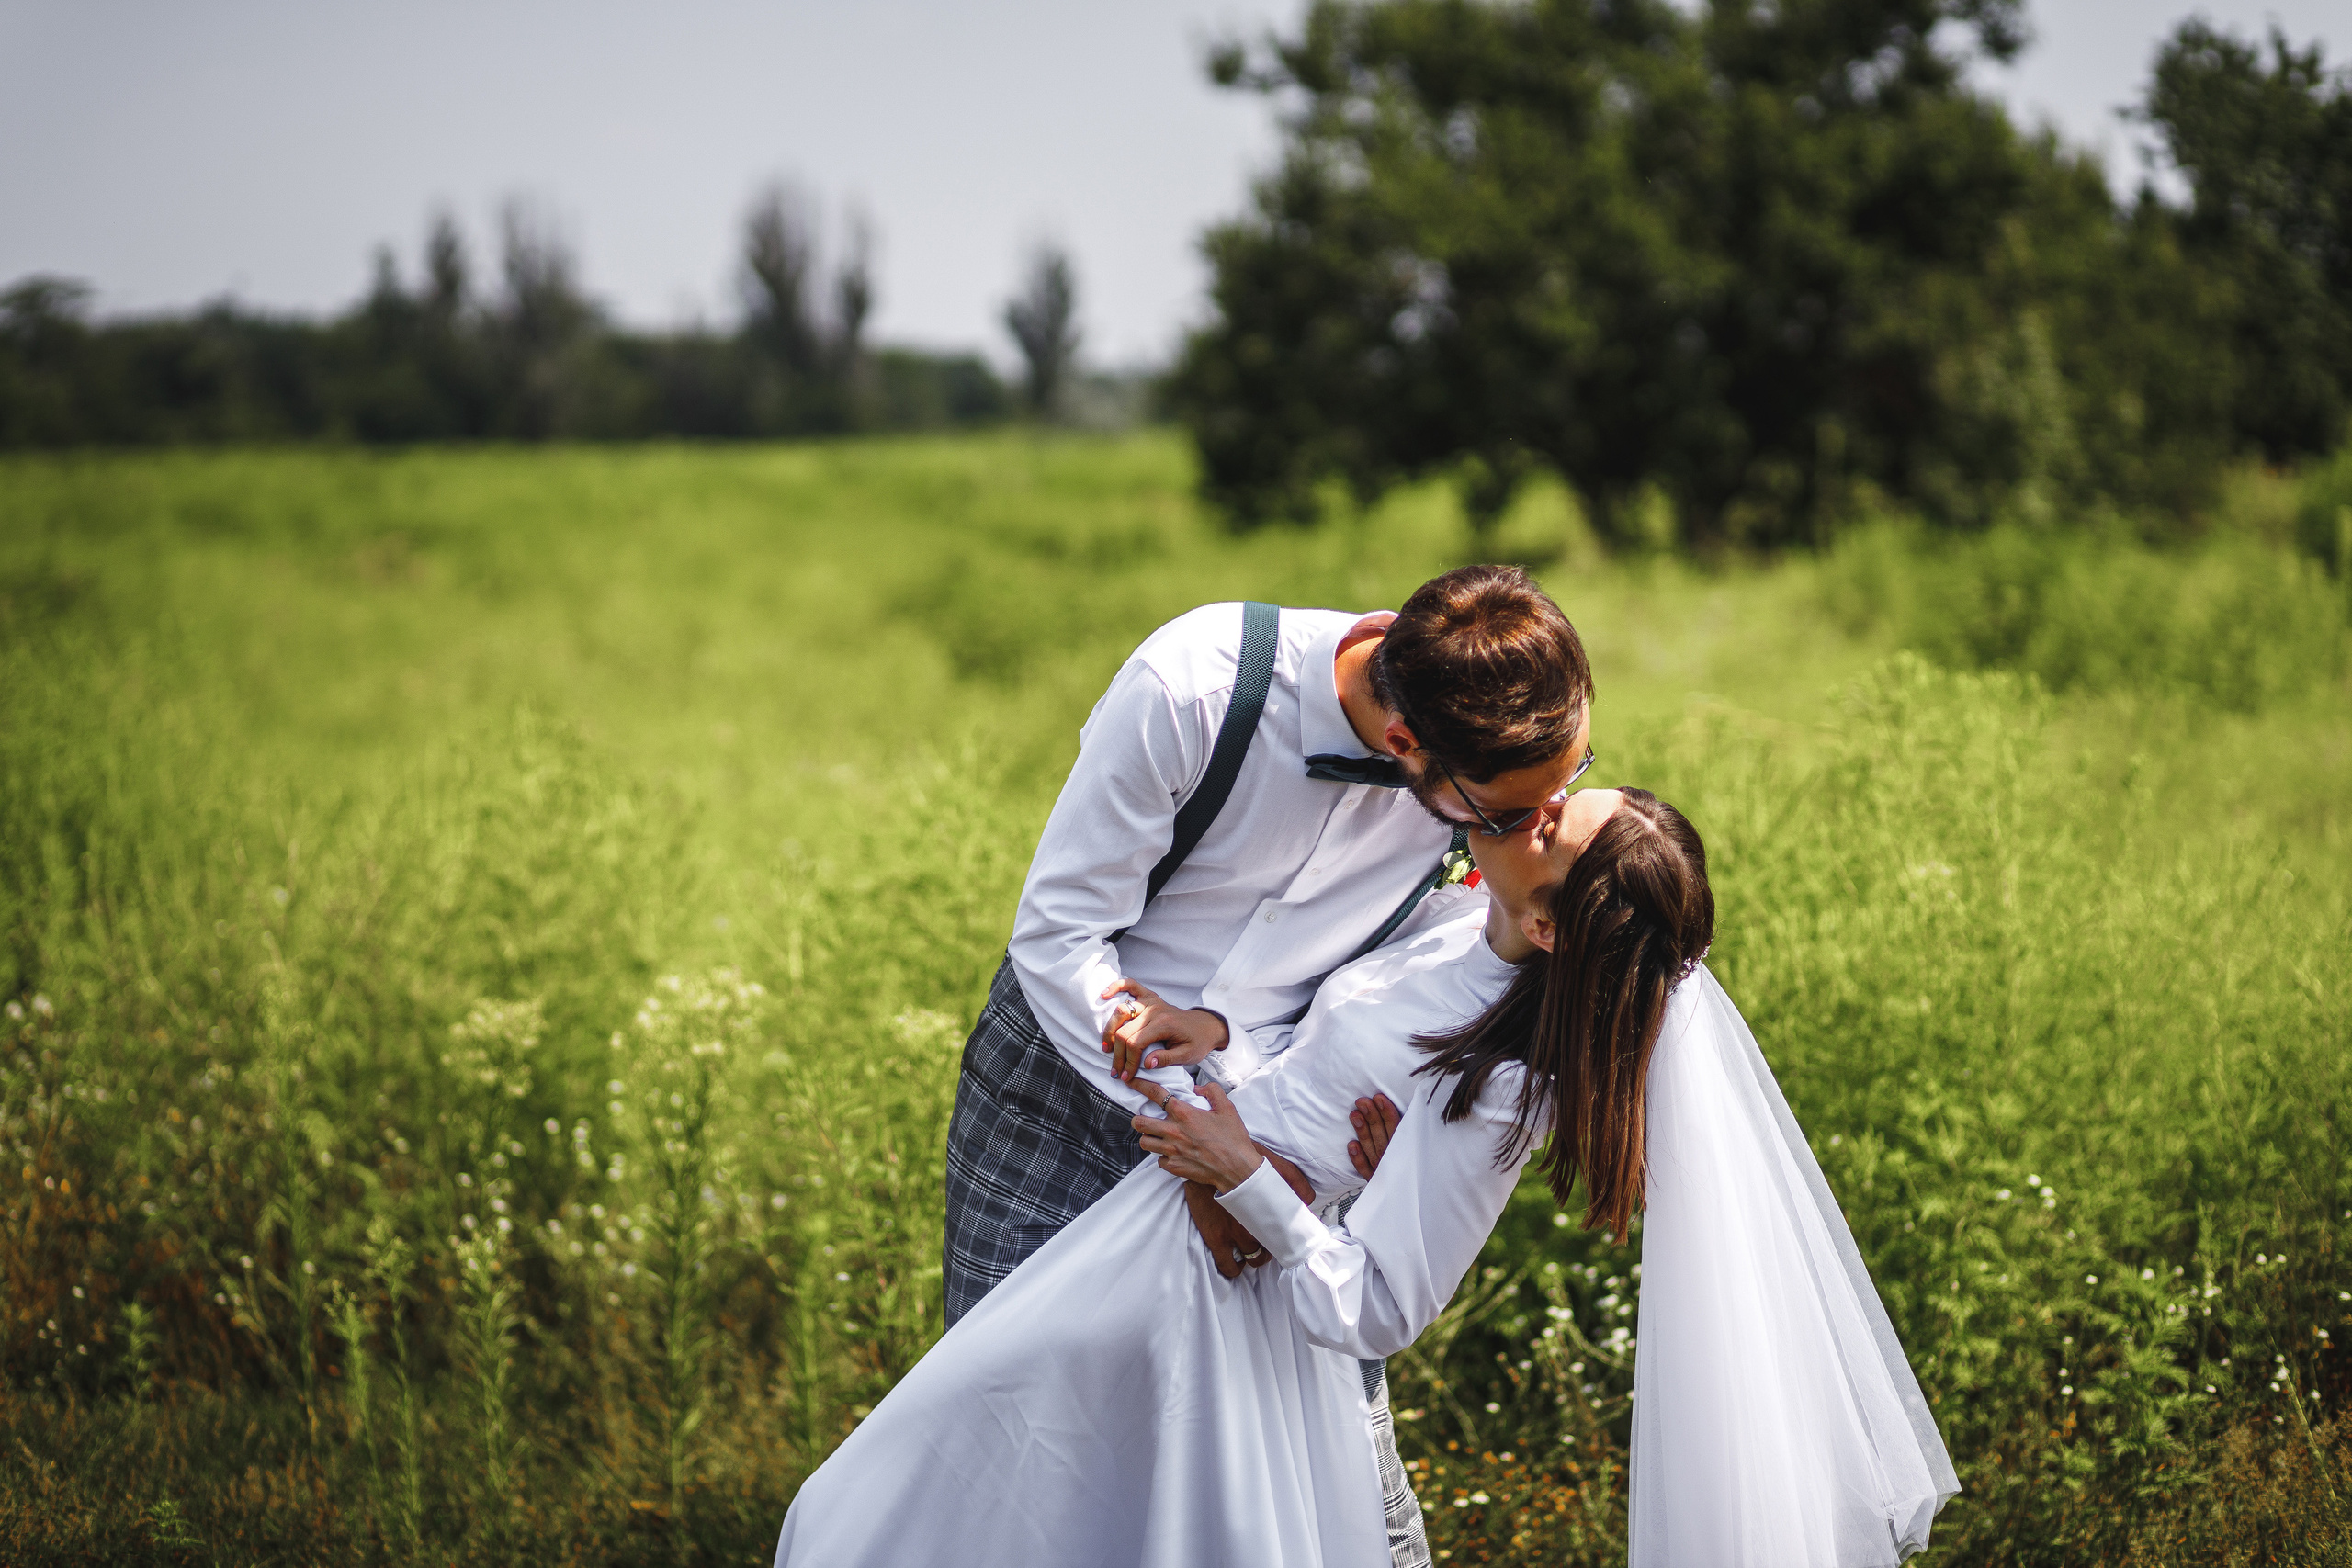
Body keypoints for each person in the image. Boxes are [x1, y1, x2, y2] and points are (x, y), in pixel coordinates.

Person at [779, 784, 1953, 1566]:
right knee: (938, 1495)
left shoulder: (1497, 1089)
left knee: (932, 1499)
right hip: (1148, 1243)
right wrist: (1221, 1041)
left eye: (1552, 828)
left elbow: (1383, 1305)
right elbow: (1332, 1054)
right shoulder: (1456, 919)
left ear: (1553, 930)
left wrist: (1251, 1179)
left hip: (1217, 1297)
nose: (1533, 804)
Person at [942, 564, 1595, 1564]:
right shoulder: (1193, 689)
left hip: (1283, 1134)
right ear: (1405, 745)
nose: (1539, 826)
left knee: (1325, 1491)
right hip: (1063, 1101)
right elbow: (1060, 939)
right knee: (1015, 1442)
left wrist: (1350, 1129)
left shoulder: (1490, 776)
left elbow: (1435, 941)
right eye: (1507, 817)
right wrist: (1210, 1141)